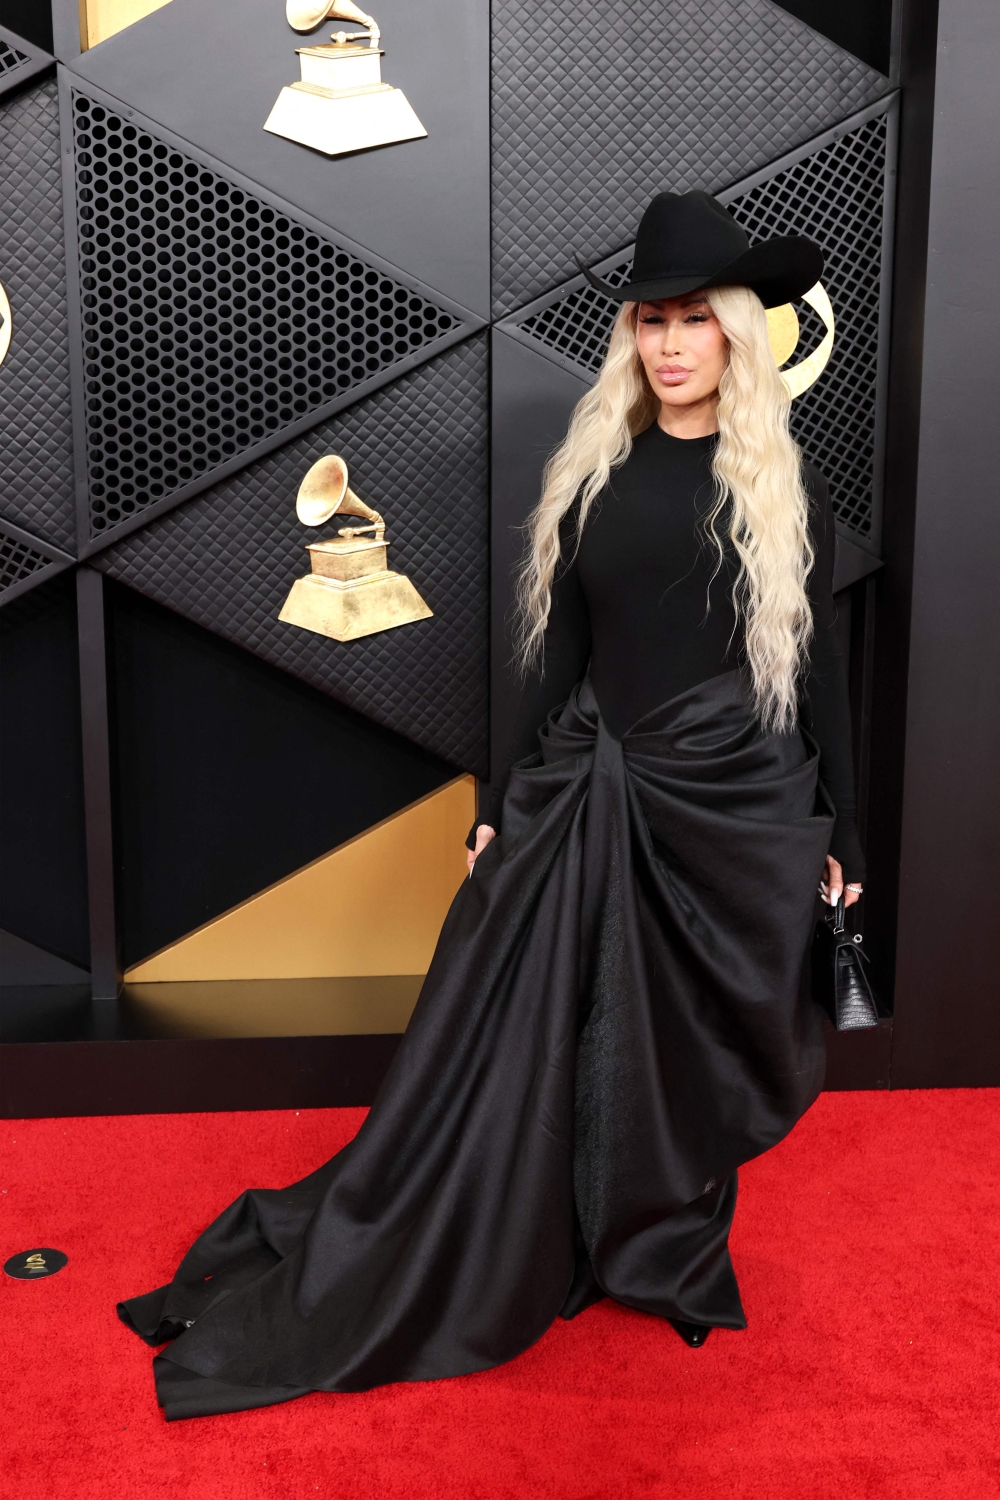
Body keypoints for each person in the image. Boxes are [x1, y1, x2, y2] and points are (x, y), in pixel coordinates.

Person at [118, 190, 864, 1420]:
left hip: (726, 808)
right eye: (650, 322)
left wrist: (850, 835)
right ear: (631, 337)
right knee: (546, 1036)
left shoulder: (788, 498)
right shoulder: (592, 484)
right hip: (587, 790)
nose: (669, 344)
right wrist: (494, 805)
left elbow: (818, 674)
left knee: (685, 1048)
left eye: (693, 321)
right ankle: (547, 1233)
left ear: (737, 334)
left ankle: (666, 1255)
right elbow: (547, 664)